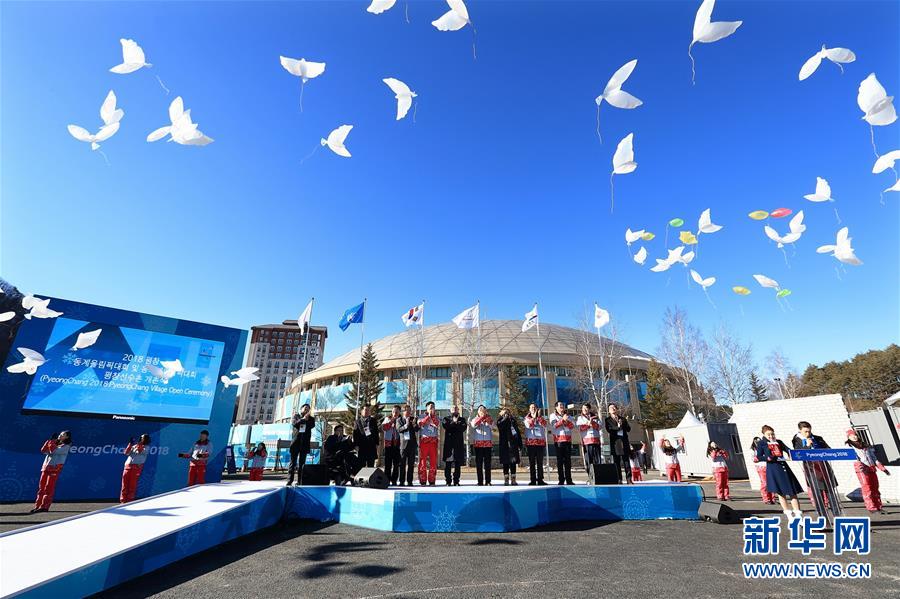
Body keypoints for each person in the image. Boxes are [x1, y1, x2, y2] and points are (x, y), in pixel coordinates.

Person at [757, 425, 804, 522]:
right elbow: (759, 456)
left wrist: (794, 455)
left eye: (772, 434)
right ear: (764, 435)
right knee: (781, 493)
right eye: (768, 434)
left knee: (792, 492)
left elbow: (788, 450)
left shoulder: (779, 442)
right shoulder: (762, 443)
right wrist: (768, 458)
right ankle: (789, 515)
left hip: (784, 467)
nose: (771, 436)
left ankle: (798, 514)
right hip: (773, 468)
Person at [792, 421, 838, 510]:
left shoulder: (818, 438)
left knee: (830, 490)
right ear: (800, 430)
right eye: (805, 431)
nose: (808, 433)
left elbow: (828, 449)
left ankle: (836, 513)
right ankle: (822, 515)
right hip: (811, 468)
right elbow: (798, 454)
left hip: (823, 466)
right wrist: (808, 446)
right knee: (817, 492)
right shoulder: (797, 440)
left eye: (809, 431)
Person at [846, 429, 890, 514]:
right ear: (848, 437)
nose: (854, 437)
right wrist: (861, 467)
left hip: (871, 468)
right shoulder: (850, 446)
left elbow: (874, 457)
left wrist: (882, 468)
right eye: (851, 436)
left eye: (855, 435)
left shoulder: (864, 445)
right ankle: (872, 507)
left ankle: (878, 506)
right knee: (867, 489)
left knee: (875, 488)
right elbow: (855, 459)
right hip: (862, 470)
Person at [31, 431, 72, 513]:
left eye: (63, 434)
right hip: (46, 468)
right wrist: (49, 441)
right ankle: (38, 506)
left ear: (67, 437)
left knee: (48, 488)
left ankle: (44, 507)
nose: (60, 435)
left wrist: (52, 442)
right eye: (60, 434)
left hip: (54, 469)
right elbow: (43, 450)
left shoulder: (66, 446)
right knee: (41, 487)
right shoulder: (54, 443)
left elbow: (54, 451)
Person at [286, 404, 315, 486]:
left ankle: (300, 481)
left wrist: (306, 419)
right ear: (301, 409)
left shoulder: (311, 419)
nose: (306, 410)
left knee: (302, 464)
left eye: (308, 409)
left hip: (305, 444)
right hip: (296, 443)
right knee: (293, 463)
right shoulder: (296, 416)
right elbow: (294, 424)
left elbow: (311, 425)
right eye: (305, 408)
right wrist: (302, 419)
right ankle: (289, 480)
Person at [605, 403, 632, 484]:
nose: (613, 409)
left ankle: (629, 479)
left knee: (626, 461)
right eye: (611, 408)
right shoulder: (607, 420)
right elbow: (610, 430)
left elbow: (628, 429)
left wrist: (623, 424)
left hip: (624, 442)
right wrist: (618, 427)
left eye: (614, 407)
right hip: (615, 443)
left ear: (616, 409)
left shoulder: (622, 419)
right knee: (616, 462)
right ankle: (619, 479)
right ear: (609, 411)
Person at [549, 401, 575, 485]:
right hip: (559, 441)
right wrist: (562, 420)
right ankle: (561, 479)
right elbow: (554, 425)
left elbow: (572, 426)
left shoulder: (569, 416)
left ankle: (569, 480)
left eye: (562, 405)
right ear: (556, 407)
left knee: (568, 461)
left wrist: (566, 420)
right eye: (560, 405)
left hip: (567, 441)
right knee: (560, 461)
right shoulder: (553, 416)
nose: (561, 406)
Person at [120, 434, 150, 503]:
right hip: (127, 467)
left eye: (143, 438)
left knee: (132, 485)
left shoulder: (146, 447)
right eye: (141, 437)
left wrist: (139, 444)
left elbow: (140, 451)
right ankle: (123, 501)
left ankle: (129, 501)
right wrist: (130, 444)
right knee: (124, 485)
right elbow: (126, 453)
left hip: (136, 468)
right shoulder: (134, 446)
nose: (141, 438)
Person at [577, 403, 603, 482]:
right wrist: (588, 423)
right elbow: (580, 428)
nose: (584, 410)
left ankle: (598, 477)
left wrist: (592, 421)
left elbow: (600, 426)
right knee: (589, 460)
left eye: (586, 408)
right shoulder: (580, 418)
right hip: (587, 442)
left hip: (596, 441)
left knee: (597, 460)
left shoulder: (596, 417)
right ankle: (590, 477)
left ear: (589, 409)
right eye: (583, 408)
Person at [497, 408, 523, 485]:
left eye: (508, 412)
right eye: (505, 413)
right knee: (505, 463)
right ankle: (506, 479)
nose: (507, 414)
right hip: (504, 445)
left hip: (513, 444)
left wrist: (519, 443)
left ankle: (513, 479)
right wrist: (505, 418)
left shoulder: (513, 421)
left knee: (513, 462)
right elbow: (500, 426)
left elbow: (517, 432)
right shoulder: (500, 420)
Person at [523, 403, 547, 485]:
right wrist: (534, 418)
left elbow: (545, 425)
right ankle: (533, 479)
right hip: (531, 443)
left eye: (535, 407)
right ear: (529, 409)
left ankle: (540, 479)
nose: (533, 409)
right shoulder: (526, 418)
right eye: (532, 407)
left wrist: (539, 417)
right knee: (532, 462)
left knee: (540, 462)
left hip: (540, 442)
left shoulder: (541, 418)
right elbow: (529, 426)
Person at [442, 405, 467, 486]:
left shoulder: (462, 419)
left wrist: (455, 424)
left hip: (458, 445)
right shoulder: (446, 419)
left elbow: (463, 428)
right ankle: (448, 481)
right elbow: (446, 426)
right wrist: (454, 423)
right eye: (453, 409)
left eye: (456, 408)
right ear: (450, 410)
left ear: (458, 410)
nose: (454, 410)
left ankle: (456, 481)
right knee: (448, 464)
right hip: (449, 445)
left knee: (457, 464)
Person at [470, 405, 494, 486]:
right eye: (480, 410)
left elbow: (492, 426)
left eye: (483, 410)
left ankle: (488, 481)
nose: (482, 411)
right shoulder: (474, 419)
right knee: (479, 464)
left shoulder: (489, 419)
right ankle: (480, 481)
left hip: (487, 444)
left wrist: (487, 420)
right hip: (478, 444)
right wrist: (481, 418)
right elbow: (473, 425)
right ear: (478, 411)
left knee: (488, 463)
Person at [417, 401, 440, 485]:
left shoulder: (436, 417)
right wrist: (428, 416)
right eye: (430, 407)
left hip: (433, 442)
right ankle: (422, 479)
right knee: (423, 461)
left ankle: (432, 479)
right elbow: (420, 424)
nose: (431, 408)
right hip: (424, 442)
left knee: (433, 461)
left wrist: (432, 417)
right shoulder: (421, 416)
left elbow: (437, 424)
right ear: (426, 408)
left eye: (433, 407)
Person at [396, 404, 419, 486]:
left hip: (412, 445)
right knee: (402, 464)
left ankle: (410, 481)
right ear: (403, 412)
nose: (408, 412)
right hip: (403, 445)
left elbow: (417, 429)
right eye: (407, 411)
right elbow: (399, 429)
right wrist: (406, 425)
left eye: (410, 411)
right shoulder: (399, 420)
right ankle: (401, 481)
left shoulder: (413, 419)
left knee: (411, 464)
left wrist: (414, 424)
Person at [750, 437, 776, 504]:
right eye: (756, 441)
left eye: (759, 441)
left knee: (771, 482)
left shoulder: (765, 447)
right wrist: (763, 458)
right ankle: (766, 499)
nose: (758, 442)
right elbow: (754, 459)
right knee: (764, 483)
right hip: (761, 467)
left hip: (768, 465)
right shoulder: (753, 450)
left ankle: (772, 498)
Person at [382, 405, 402, 485]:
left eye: (396, 412)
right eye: (393, 412)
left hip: (397, 445)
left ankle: (394, 480)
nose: (395, 413)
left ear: (399, 412)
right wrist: (391, 422)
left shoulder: (401, 420)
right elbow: (384, 428)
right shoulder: (387, 418)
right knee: (388, 464)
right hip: (388, 445)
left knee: (396, 464)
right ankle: (386, 480)